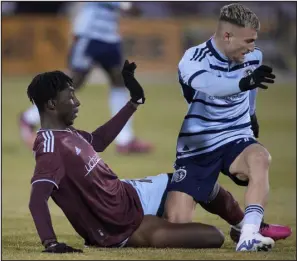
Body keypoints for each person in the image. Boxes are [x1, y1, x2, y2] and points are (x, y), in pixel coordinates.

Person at [28, 62, 225, 253]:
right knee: (214, 236)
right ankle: (244, 226)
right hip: (123, 225)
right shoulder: (51, 149)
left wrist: (133, 103)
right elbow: (37, 199)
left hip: (129, 195)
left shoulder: (66, 133)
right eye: (70, 97)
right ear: (52, 104)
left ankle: (247, 226)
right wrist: (51, 243)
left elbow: (99, 140)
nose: (77, 102)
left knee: (197, 180)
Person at [163, 3, 280, 252]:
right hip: (199, 143)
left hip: (235, 135)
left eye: (254, 41)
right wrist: (246, 81)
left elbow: (252, 89)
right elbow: (210, 85)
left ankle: (248, 234)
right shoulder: (193, 58)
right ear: (227, 35)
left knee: (260, 158)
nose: (252, 47)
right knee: (177, 228)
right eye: (247, 41)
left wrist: (251, 115)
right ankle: (210, 192)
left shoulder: (253, 56)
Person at [19, 2, 152, 154]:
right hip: (89, 35)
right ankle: (30, 117)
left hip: (110, 38)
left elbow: (130, 10)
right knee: (73, 83)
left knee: (120, 82)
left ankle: (124, 139)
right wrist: (124, 5)